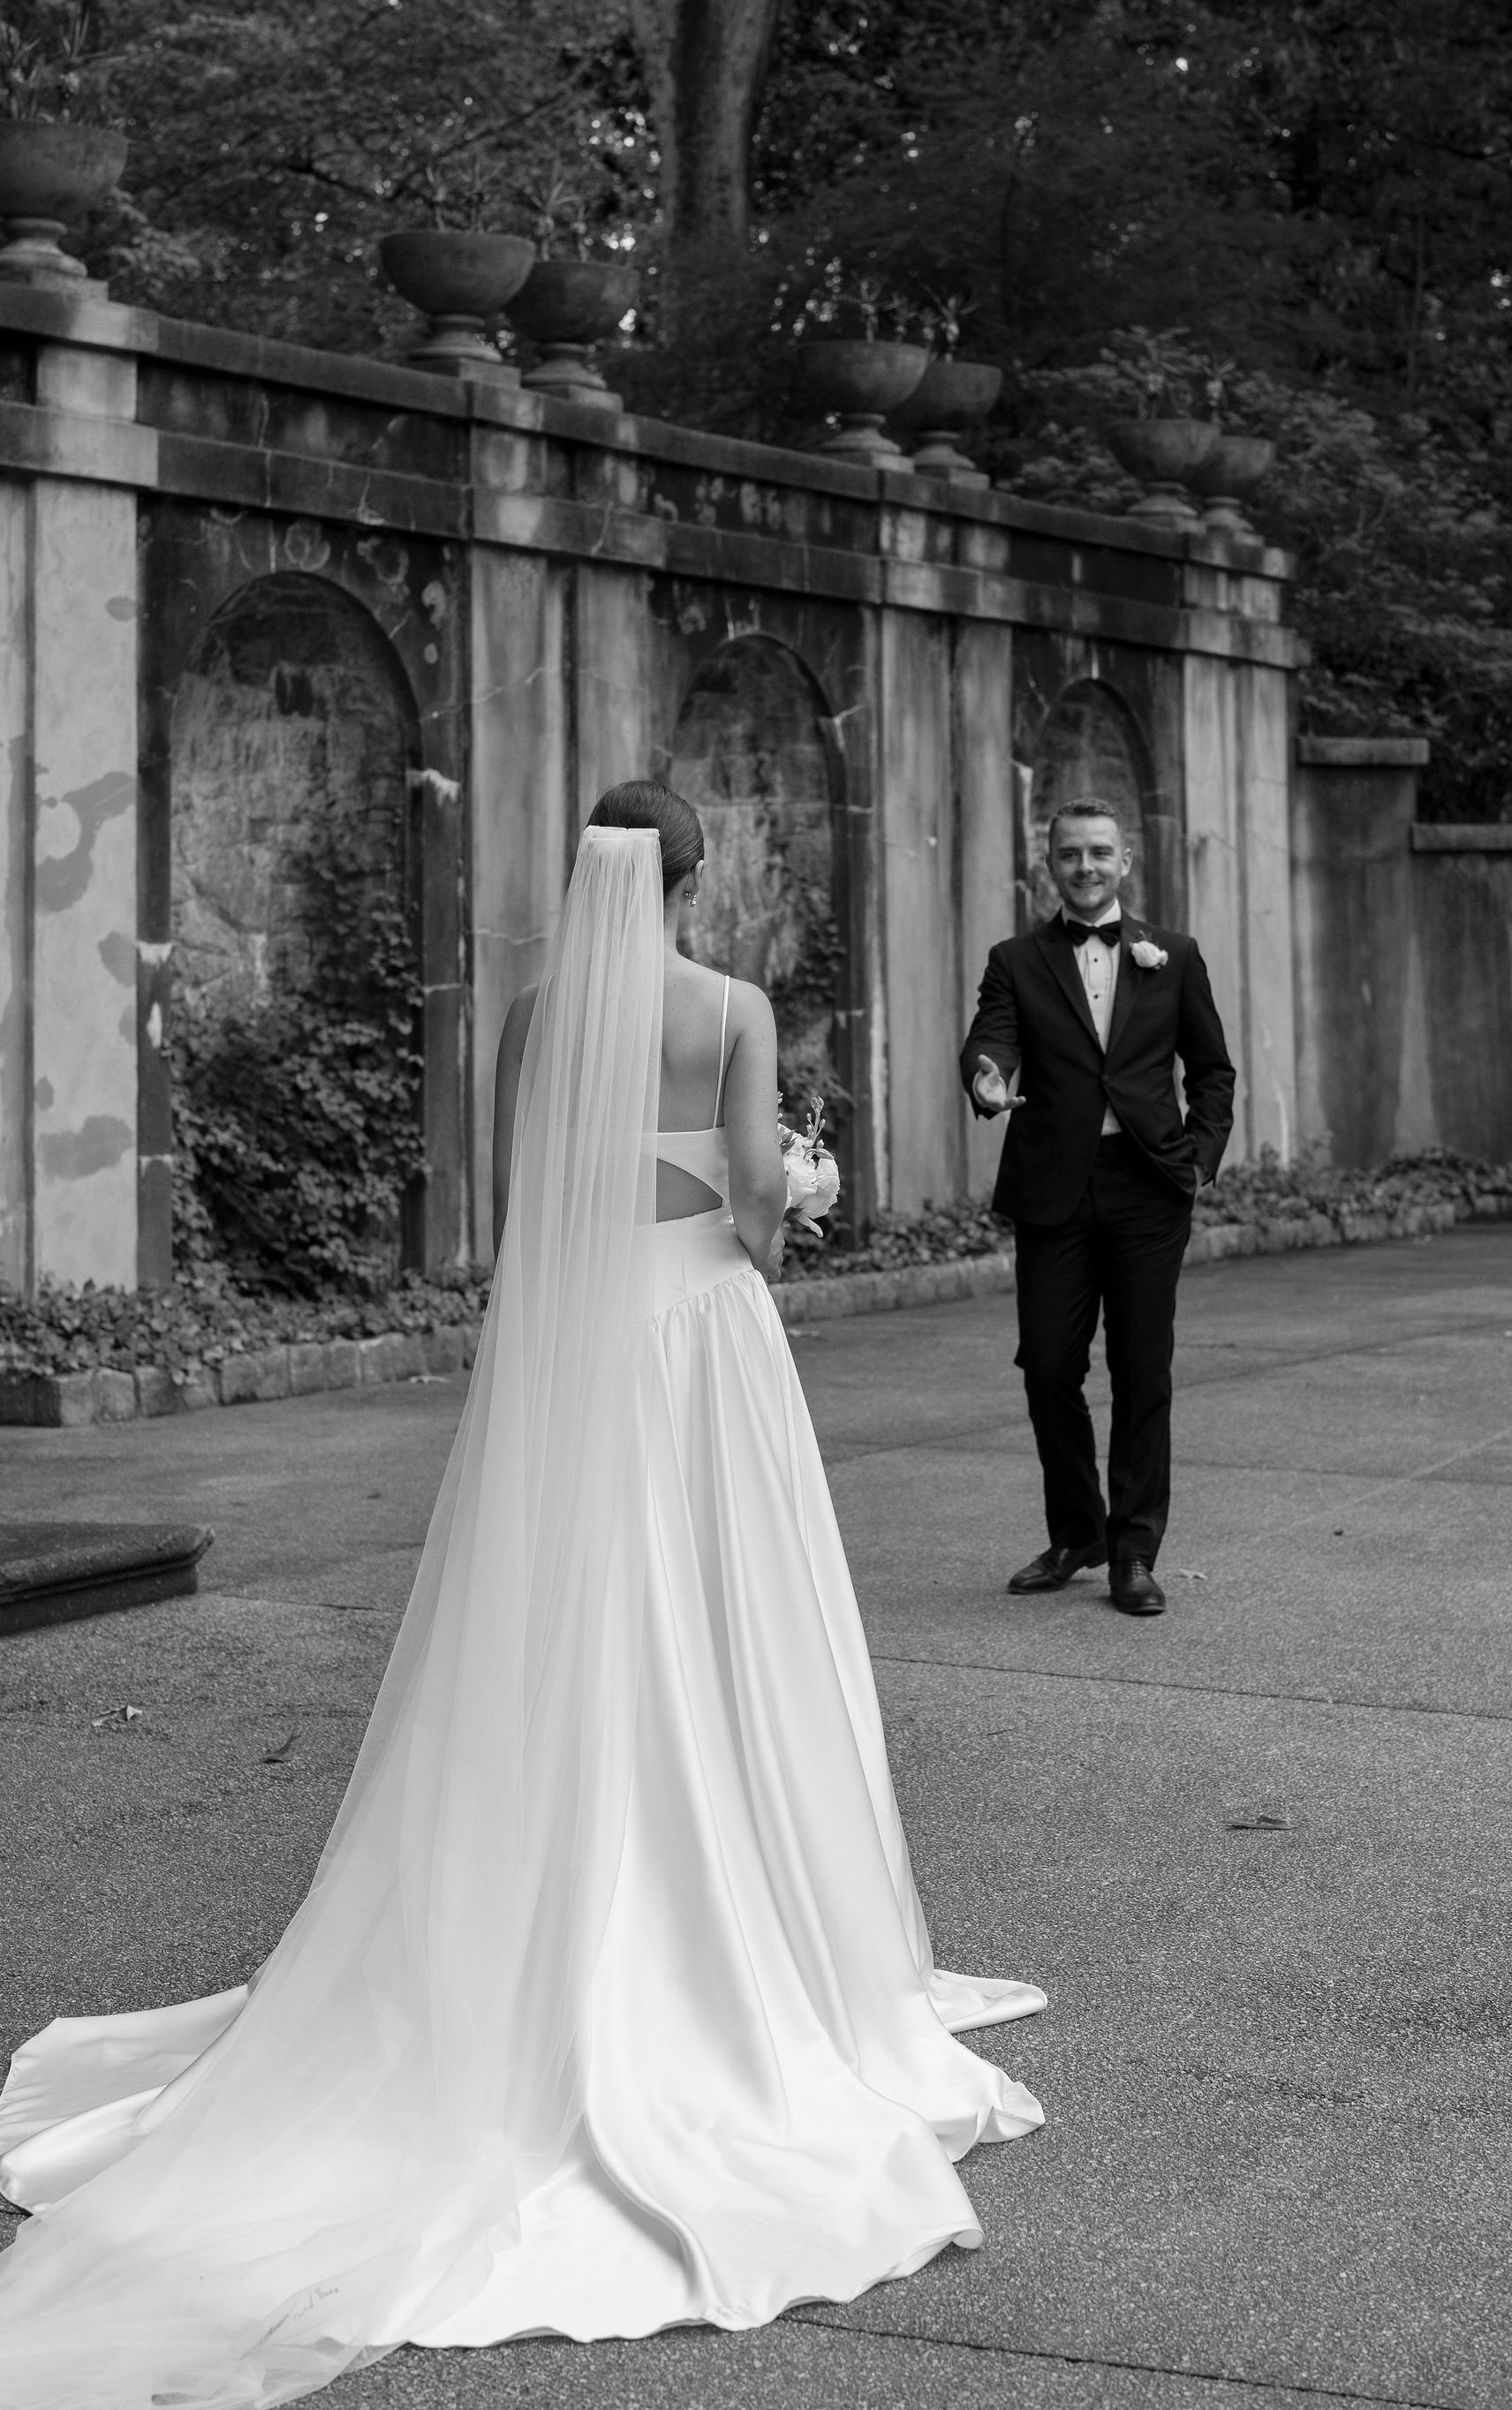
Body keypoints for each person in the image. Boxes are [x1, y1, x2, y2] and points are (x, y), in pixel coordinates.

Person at [0, 781, 1043, 2410]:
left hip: (568, 1351)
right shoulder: (728, 1009)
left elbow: (510, 1211)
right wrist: (799, 1179)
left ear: (592, 873)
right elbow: (760, 1206)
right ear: (700, 878)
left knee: (555, 1624)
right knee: (722, 1624)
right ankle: (741, 1937)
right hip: (697, 1339)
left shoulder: (535, 1016)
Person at [958, 797, 1236, 1616]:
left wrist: (1201, 1160)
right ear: (1049, 864)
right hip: (1055, 1186)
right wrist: (986, 1075)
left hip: (1150, 1184)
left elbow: (1212, 1070)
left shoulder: (1174, 955)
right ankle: (1078, 1530)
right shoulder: (1016, 958)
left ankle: (1134, 1553)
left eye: (1100, 853)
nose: (1086, 867)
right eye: (1070, 854)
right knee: (1048, 1367)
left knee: (1144, 1369)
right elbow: (992, 1035)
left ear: (1126, 861)